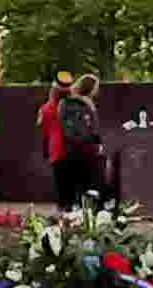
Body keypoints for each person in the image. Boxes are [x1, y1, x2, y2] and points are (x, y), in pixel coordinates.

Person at [57, 73, 105, 210]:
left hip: (70, 147)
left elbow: (62, 125)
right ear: (90, 88)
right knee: (89, 184)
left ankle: (72, 212)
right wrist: (98, 144)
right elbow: (94, 129)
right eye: (96, 87)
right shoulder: (87, 104)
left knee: (74, 182)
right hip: (87, 148)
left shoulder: (64, 103)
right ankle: (87, 213)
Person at [38, 74, 72, 203]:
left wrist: (45, 150)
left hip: (57, 150)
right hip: (75, 149)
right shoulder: (75, 105)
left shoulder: (45, 109)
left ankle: (65, 215)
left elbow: (44, 130)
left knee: (61, 187)